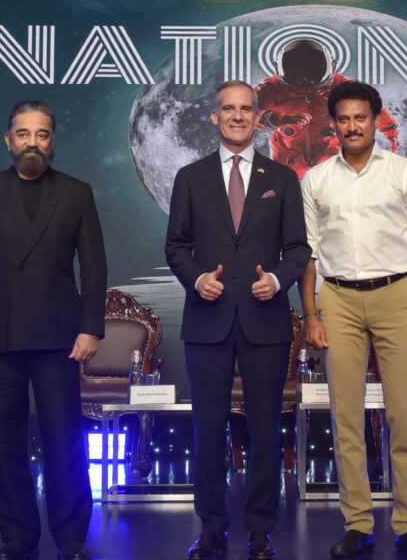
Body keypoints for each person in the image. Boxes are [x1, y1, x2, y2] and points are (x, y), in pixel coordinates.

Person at [0, 100, 106, 560]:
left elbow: (94, 268)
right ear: (8, 140)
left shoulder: (77, 193)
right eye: (23, 134)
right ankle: (17, 536)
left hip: (60, 338)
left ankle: (71, 536)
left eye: (41, 134)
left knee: (65, 441)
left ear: (52, 141)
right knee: (6, 443)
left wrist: (91, 328)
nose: (32, 143)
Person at [165, 80, 311, 560]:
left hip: (264, 320)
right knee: (208, 431)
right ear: (214, 116)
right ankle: (211, 528)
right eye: (228, 109)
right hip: (206, 321)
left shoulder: (282, 178)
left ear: (257, 116)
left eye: (246, 109)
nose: (237, 116)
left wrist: (279, 280)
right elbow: (176, 247)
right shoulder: (190, 177)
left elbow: (298, 249)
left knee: (265, 431)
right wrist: (196, 279)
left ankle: (261, 529)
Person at [298, 80, 407, 558]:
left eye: (361, 118)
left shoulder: (404, 172)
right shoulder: (316, 179)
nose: (352, 126)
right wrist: (311, 314)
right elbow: (307, 255)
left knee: (403, 415)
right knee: (346, 417)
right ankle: (357, 524)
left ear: (376, 120)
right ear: (333, 125)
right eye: (343, 119)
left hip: (397, 295)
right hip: (337, 299)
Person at [255, 39, 399, 179]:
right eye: (295, 72)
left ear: (332, 67)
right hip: (287, 153)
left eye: (313, 71)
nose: (305, 80)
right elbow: (247, 113)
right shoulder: (272, 88)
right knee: (279, 182)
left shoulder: (344, 88)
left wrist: (391, 133)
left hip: (329, 149)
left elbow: (372, 107)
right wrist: (272, 118)